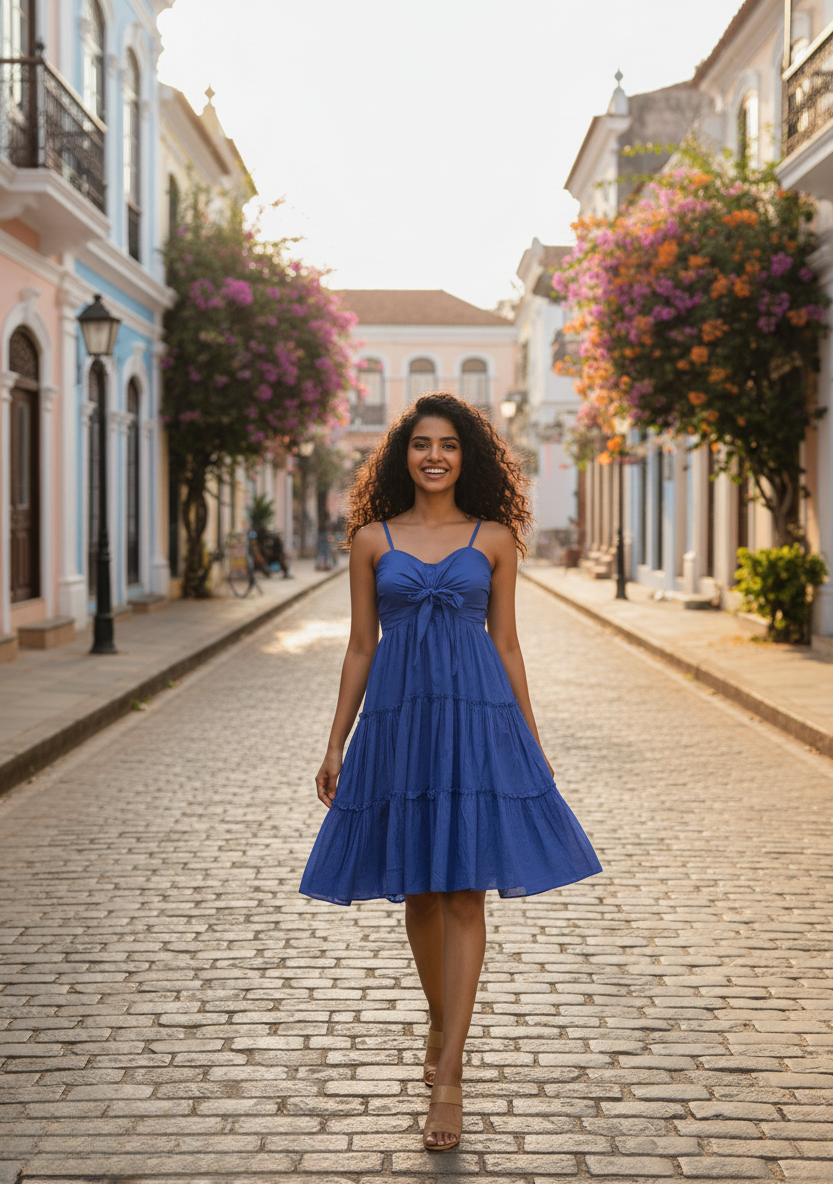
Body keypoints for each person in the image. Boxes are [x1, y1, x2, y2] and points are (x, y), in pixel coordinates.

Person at [300, 393, 602, 1151]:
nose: (434, 456)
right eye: (421, 445)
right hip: (402, 724)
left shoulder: (494, 538)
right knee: (423, 890)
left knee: (466, 888)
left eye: (449, 445)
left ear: (468, 455)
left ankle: (452, 1076)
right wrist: (336, 741)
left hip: (476, 720)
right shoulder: (370, 540)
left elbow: (506, 644)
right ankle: (440, 1018)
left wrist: (530, 739)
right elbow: (361, 644)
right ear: (403, 455)